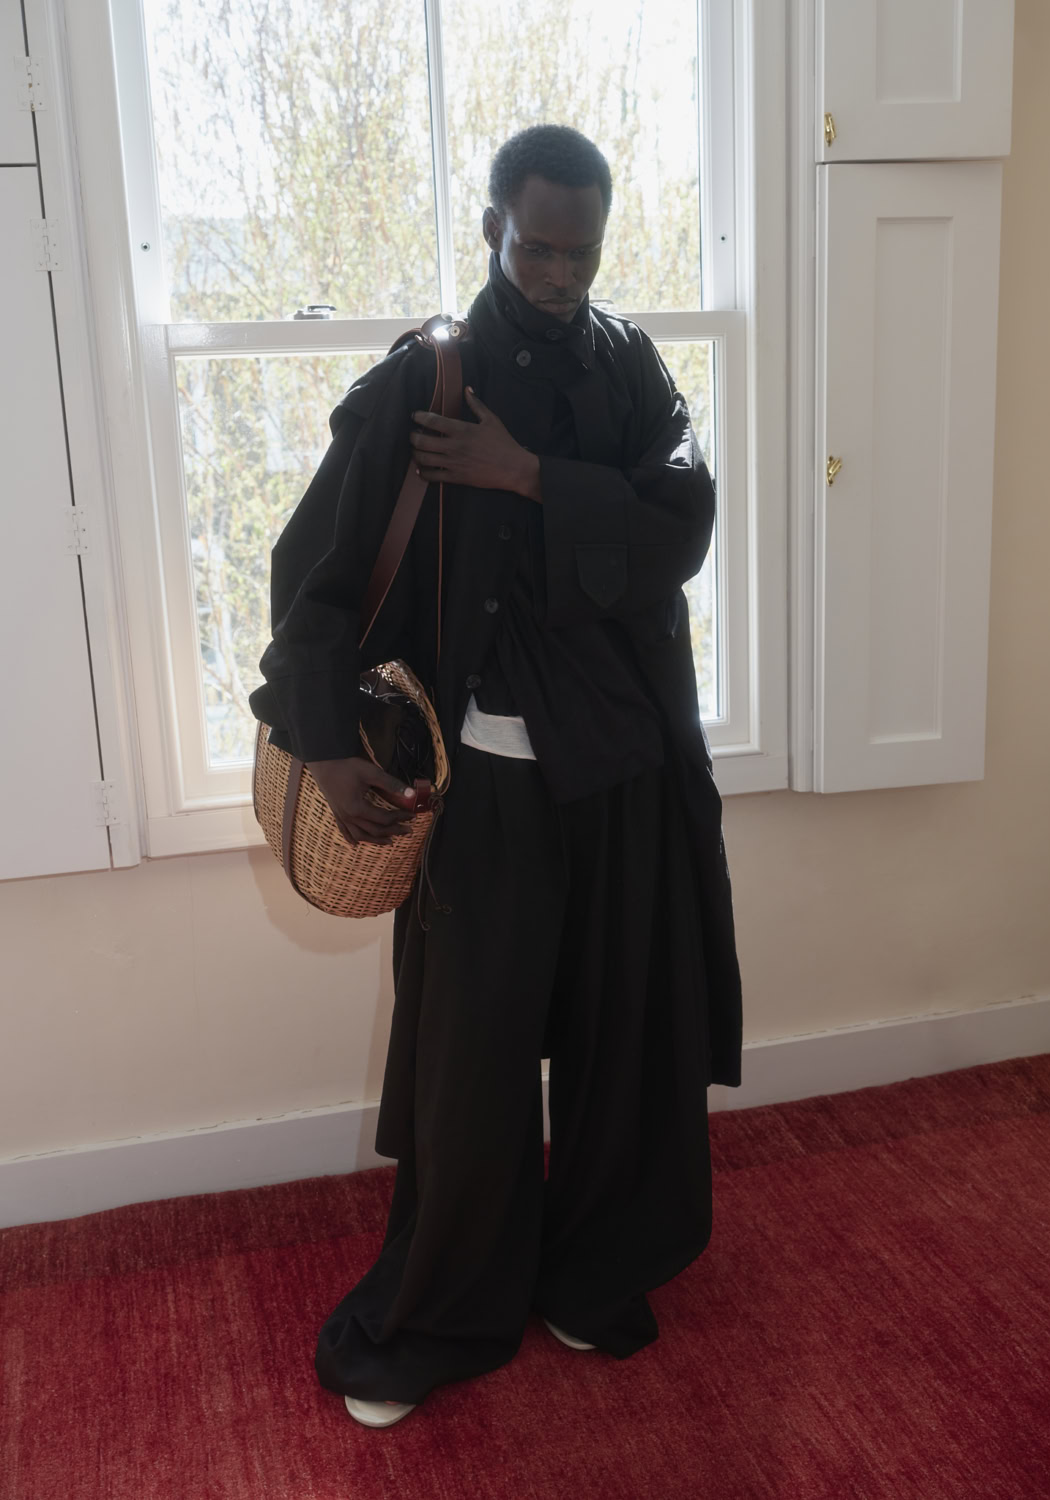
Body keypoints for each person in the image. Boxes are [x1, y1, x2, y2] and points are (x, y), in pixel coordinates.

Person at [249, 123, 742, 1429]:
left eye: (583, 253)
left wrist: (527, 476)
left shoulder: (632, 367)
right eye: (537, 249)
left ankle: (592, 1270)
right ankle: (445, 1311)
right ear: (492, 230)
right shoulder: (424, 381)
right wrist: (325, 745)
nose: (560, 276)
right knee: (471, 1064)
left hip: (624, 775)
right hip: (485, 786)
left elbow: (682, 524)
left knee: (622, 1043)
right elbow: (313, 576)